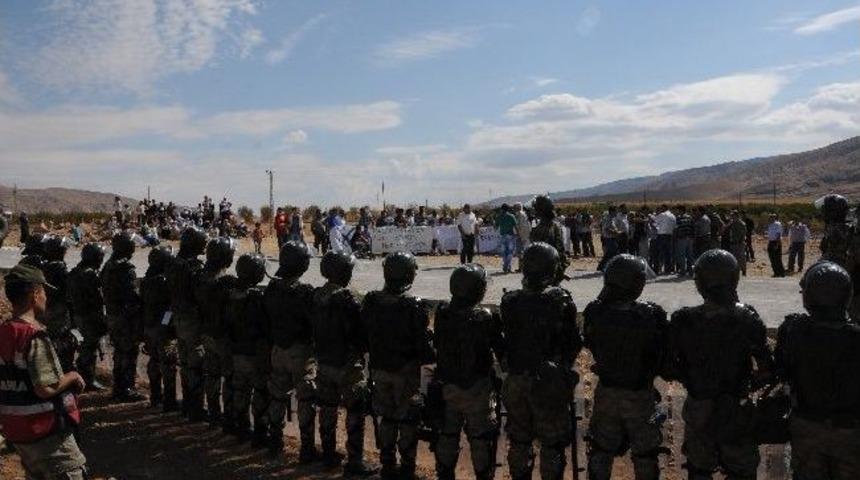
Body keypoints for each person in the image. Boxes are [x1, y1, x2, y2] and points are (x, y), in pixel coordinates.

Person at [666, 249, 775, 480]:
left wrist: (691, 378)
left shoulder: (683, 319)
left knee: (699, 467)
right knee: (741, 468)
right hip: (735, 405)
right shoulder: (747, 317)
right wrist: (750, 383)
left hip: (699, 404)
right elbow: (767, 367)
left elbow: (668, 366)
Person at [500, 242, 581, 480]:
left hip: (517, 378)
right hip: (548, 381)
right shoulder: (560, 300)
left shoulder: (510, 300)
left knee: (519, 439)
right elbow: (572, 343)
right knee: (552, 443)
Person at [0, 264, 88, 480]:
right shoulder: (33, 335)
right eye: (44, 292)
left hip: (17, 430)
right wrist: (73, 376)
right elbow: (45, 388)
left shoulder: (4, 331)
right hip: (45, 432)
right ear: (35, 294)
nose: (46, 297)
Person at [584, 254, 668, 480]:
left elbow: (590, 342)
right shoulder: (651, 315)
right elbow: (662, 355)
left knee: (601, 449)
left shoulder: (595, 312)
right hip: (640, 394)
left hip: (607, 390)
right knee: (645, 454)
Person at [775, 262, 860, 479]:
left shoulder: (794, 331)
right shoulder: (854, 336)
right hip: (849, 429)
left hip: (808, 424)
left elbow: (782, 371)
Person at [361, 251, 433, 479]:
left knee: (387, 418)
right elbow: (424, 349)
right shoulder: (413, 306)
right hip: (405, 372)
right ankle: (407, 467)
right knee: (408, 420)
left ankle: (387, 464)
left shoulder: (372, 301)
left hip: (379, 369)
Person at [434, 264, 504, 480]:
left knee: (447, 434)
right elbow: (501, 351)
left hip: (448, 384)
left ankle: (445, 474)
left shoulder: (443, 313)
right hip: (478, 387)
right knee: (480, 438)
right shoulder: (486, 317)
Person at [311, 252, 377, 475]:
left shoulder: (316, 295)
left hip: (324, 361)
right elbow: (362, 333)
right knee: (356, 410)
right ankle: (355, 460)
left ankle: (328, 453)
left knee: (327, 408)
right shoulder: (350, 298)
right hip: (348, 365)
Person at [263, 241, 318, 458]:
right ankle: (307, 447)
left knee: (277, 395)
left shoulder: (272, 288)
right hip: (300, 353)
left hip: (278, 350)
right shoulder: (304, 292)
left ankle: (274, 440)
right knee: (306, 399)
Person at [226, 253, 270, 445]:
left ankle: (241, 428)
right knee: (259, 392)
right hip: (254, 353)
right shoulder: (256, 298)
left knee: (240, 391)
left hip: (236, 350)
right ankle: (260, 432)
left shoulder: (230, 294)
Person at [166, 226, 208, 420]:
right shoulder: (193, 267)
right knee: (196, 364)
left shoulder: (173, 263)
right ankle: (195, 408)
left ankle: (187, 404)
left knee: (185, 362)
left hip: (178, 317)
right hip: (192, 320)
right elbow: (200, 296)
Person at [196, 237, 238, 426]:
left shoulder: (201, 277)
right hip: (223, 336)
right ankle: (229, 417)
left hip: (206, 332)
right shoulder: (225, 283)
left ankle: (213, 412)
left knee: (212, 374)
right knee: (229, 377)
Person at [100, 231, 146, 402]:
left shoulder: (109, 265)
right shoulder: (125, 268)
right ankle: (127, 388)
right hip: (125, 317)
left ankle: (119, 387)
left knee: (119, 351)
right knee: (129, 352)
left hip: (113, 315)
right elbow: (131, 296)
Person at [68, 243, 108, 392]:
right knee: (90, 347)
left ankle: (85, 375)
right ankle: (87, 378)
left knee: (88, 345)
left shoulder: (75, 272)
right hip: (90, 315)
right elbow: (98, 297)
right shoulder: (89, 275)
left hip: (79, 314)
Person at [140, 245, 176, 410]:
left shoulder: (146, 280)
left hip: (149, 326)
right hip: (162, 327)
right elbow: (169, 307)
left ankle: (156, 397)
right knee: (168, 364)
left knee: (154, 361)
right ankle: (169, 401)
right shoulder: (164, 282)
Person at [41, 236, 76, 372]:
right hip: (58, 309)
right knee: (63, 341)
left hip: (48, 307)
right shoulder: (59, 267)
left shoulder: (45, 265)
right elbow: (67, 289)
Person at [529, 195, 568, 283]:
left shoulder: (552, 227)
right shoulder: (543, 226)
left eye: (536, 208)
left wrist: (560, 269)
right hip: (539, 268)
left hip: (547, 269)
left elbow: (559, 249)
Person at [597, 205, 624, 272]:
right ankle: (610, 267)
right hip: (609, 238)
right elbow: (607, 229)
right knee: (614, 253)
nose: (617, 212)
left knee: (609, 253)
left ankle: (601, 266)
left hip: (611, 238)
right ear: (612, 211)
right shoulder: (608, 218)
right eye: (616, 211)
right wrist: (616, 232)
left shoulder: (611, 218)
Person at [653, 205, 675, 275]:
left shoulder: (663, 214)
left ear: (664, 208)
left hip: (662, 236)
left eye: (661, 208)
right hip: (670, 236)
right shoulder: (673, 216)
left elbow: (655, 221)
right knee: (668, 254)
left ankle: (658, 270)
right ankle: (667, 270)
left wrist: (654, 222)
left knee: (659, 254)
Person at [496, 204, 518, 273]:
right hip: (511, 235)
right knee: (510, 252)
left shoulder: (499, 217)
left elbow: (495, 227)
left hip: (502, 236)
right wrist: (518, 234)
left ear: (501, 209)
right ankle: (507, 265)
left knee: (504, 252)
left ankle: (507, 266)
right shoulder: (511, 216)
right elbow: (516, 226)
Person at [674, 205, 695, 276]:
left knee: (682, 255)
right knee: (690, 255)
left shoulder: (679, 218)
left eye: (678, 210)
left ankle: (683, 271)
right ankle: (691, 271)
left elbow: (676, 229)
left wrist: (675, 238)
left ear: (680, 210)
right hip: (690, 238)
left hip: (682, 238)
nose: (677, 211)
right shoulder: (690, 217)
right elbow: (693, 227)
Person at [725, 211, 748, 276]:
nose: (732, 217)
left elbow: (744, 233)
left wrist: (740, 241)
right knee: (733, 257)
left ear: (737, 216)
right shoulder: (732, 223)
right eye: (731, 216)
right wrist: (730, 223)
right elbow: (726, 228)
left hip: (740, 243)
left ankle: (743, 270)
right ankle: (735, 271)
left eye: (733, 216)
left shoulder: (741, 223)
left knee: (741, 257)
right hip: (733, 242)